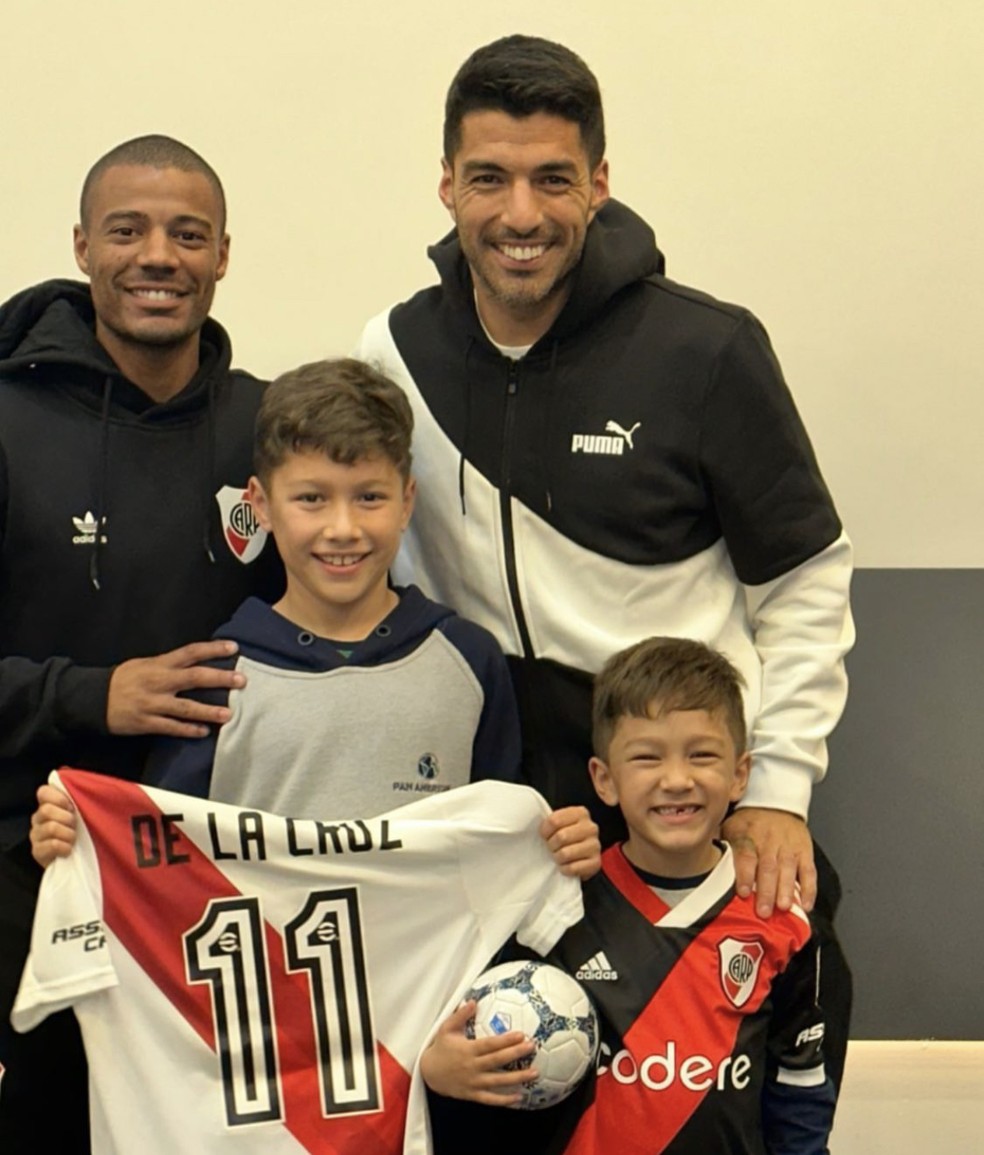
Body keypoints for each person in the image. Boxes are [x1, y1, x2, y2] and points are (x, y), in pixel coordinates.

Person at [355, 34, 854, 1087]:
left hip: (675, 798)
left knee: (704, 1109)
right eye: (488, 177)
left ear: (602, 183)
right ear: (447, 183)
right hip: (498, 808)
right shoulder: (393, 351)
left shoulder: (707, 349)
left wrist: (778, 788)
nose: (521, 215)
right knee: (494, 1102)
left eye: (553, 179)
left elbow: (803, 580)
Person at [32, 358, 598, 867]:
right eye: (312, 499)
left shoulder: (470, 663)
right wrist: (77, 840)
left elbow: (502, 840)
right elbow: (158, 867)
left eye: (369, 497)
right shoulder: (214, 686)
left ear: (407, 502)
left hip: (437, 985)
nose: (343, 529)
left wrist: (553, 845)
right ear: (260, 505)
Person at [0, 135, 281, 1153]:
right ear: (82, 246)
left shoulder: (269, 424)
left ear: (223, 255)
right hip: (37, 871)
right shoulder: (7, 418)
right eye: (127, 230)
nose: (157, 255)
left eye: (187, 234)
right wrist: (91, 697)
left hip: (225, 889)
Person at [421, 636, 836, 1155]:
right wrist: (437, 1071)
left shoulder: (783, 921)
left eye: (702, 755)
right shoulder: (559, 904)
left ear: (740, 775)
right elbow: (469, 1046)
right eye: (646, 757)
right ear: (604, 779)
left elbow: (798, 1091)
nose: (677, 780)